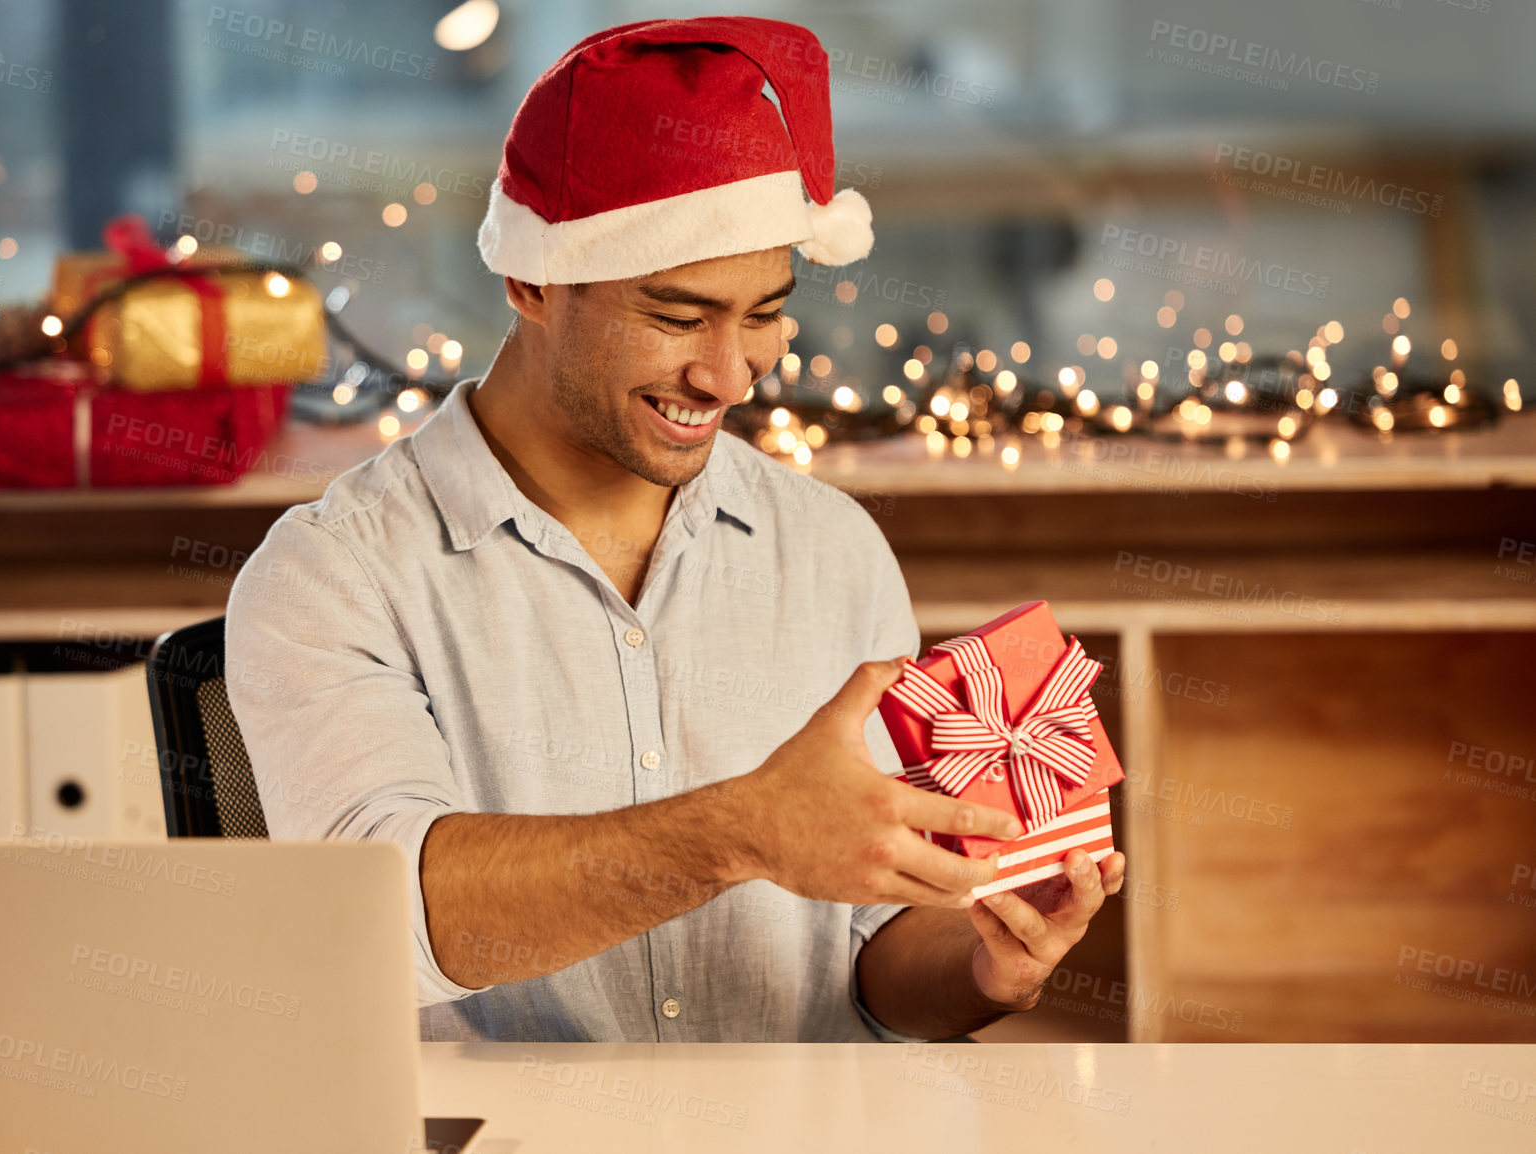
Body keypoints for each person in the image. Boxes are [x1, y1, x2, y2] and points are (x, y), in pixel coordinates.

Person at [226, 14, 1125, 1043]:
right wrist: (737, 832)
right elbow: (381, 916)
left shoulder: (829, 550)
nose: (730, 372)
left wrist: (980, 960)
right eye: (677, 316)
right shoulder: (333, 576)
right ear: (532, 280)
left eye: (765, 313)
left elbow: (874, 954)